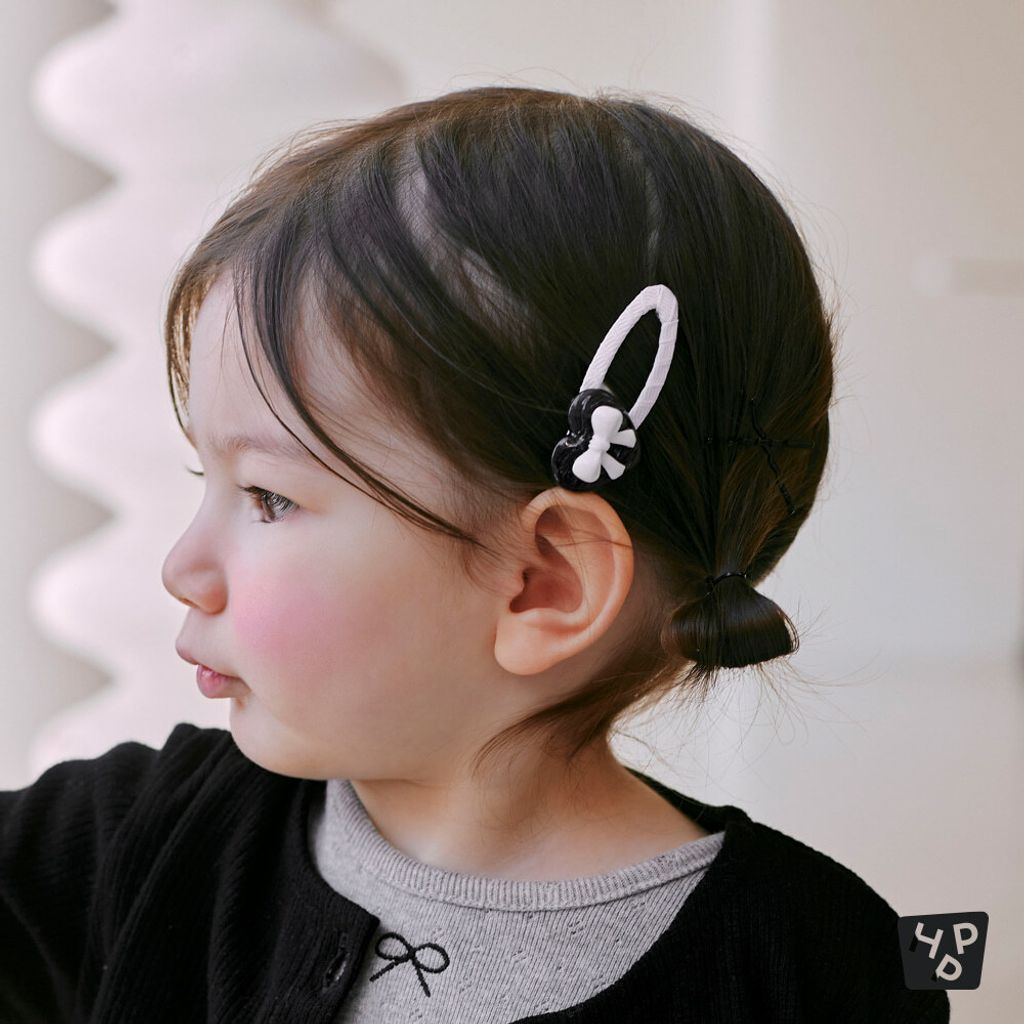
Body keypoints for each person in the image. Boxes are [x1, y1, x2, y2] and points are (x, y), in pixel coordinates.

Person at [0, 85, 950, 1022]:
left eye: (269, 497)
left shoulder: (823, 970)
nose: (181, 568)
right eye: (204, 479)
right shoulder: (136, 836)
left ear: (543, 585)